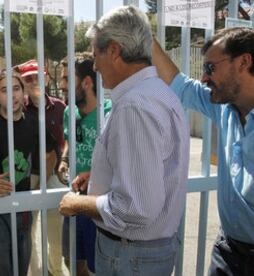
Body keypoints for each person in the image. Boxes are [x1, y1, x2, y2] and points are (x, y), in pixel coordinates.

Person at [59, 6, 190, 275]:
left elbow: (135, 207)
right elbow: (153, 170)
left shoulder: (135, 106)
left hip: (131, 255)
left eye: (96, 55)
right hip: (140, 254)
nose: (94, 66)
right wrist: (99, 176)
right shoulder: (155, 93)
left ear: (115, 51)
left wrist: (78, 203)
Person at [152, 27, 254, 275]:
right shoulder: (223, 107)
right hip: (228, 251)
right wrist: (145, 37)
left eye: (210, 68)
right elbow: (180, 85)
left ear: (244, 62)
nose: (204, 78)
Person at [0, 70, 56, 276]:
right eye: (5, 90)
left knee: (22, 266)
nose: (12, 95)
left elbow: (50, 154)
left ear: (23, 92)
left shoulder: (34, 124)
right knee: (1, 269)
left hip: (23, 208)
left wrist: (36, 186)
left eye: (16, 88)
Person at [58, 52, 112, 276]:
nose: (61, 85)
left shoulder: (110, 113)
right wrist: (64, 159)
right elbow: (71, 140)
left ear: (88, 82)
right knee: (71, 259)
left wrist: (96, 173)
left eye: (67, 79)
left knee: (96, 265)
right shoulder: (69, 112)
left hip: (100, 203)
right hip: (75, 197)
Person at [16, 59, 67, 276]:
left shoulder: (60, 107)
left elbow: (68, 139)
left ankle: (55, 270)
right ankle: (35, 273)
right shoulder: (18, 108)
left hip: (54, 173)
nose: (34, 81)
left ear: (46, 78)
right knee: (28, 231)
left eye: (38, 76)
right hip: (29, 175)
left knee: (56, 231)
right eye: (28, 78)